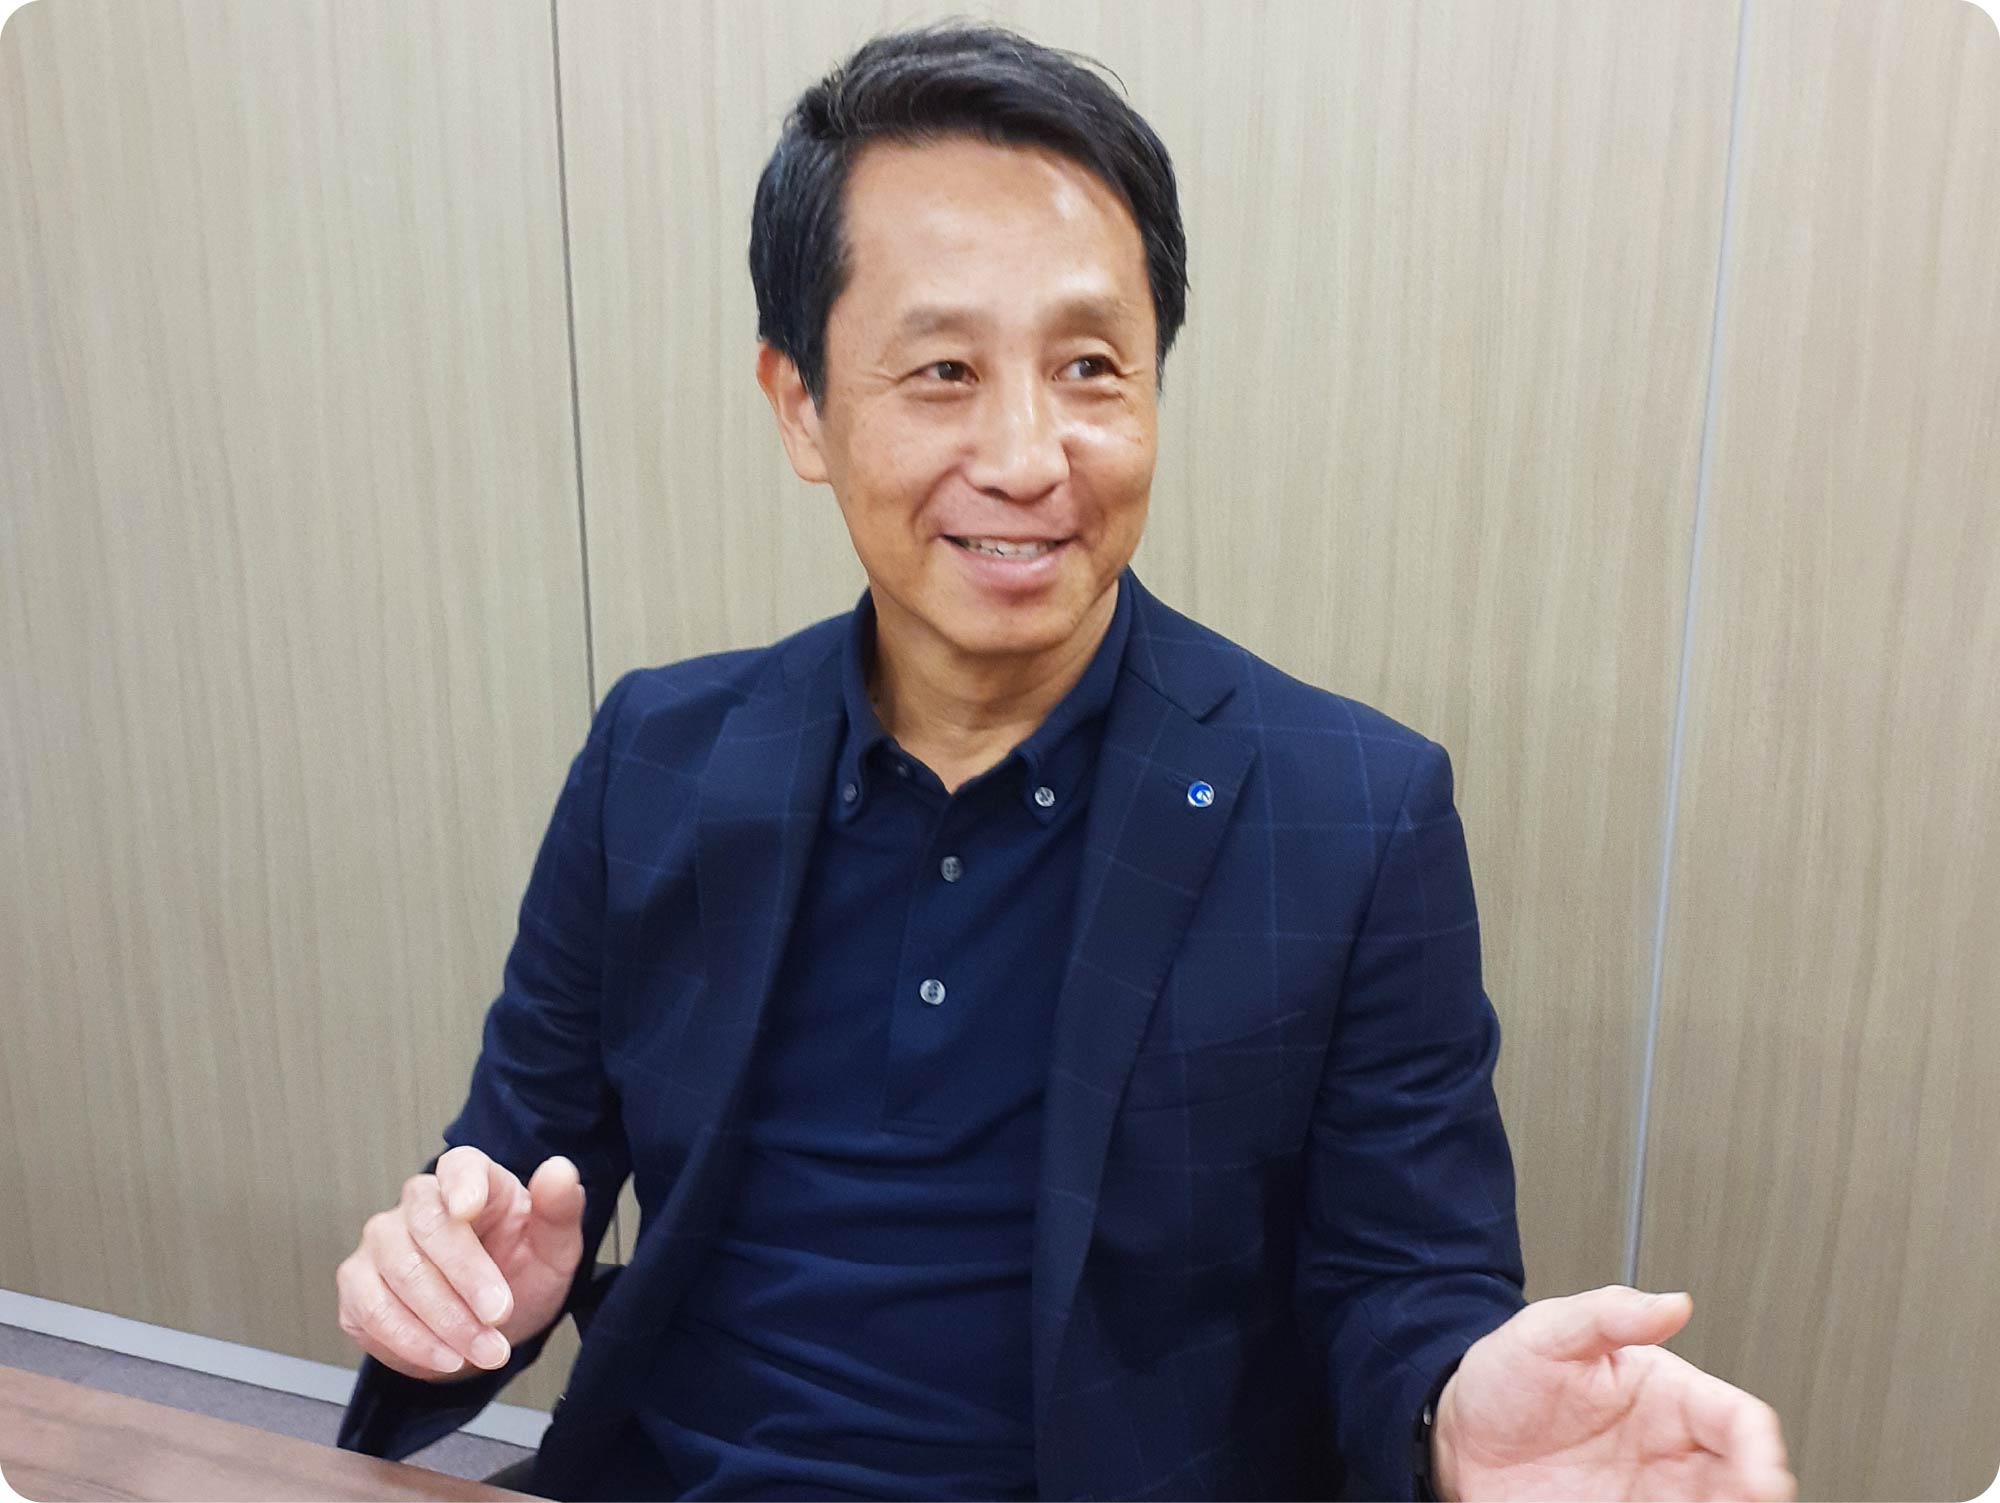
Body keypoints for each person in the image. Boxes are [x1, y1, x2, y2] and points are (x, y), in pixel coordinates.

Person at [335, 23, 1795, 1502]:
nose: (1029, 457)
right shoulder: (656, 755)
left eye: (1091, 366)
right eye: (945, 370)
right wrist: (453, 1303)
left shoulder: (1354, 812)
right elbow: (501, 1202)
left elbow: (1404, 1284)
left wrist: (1453, 1415)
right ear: (800, 406)